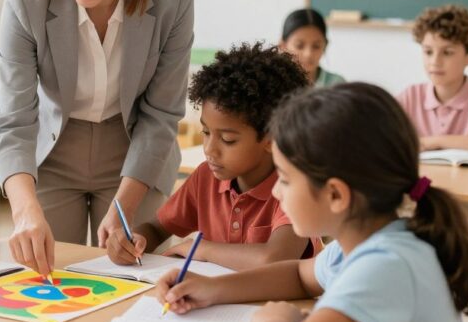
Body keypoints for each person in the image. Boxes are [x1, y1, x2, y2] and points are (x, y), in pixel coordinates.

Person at [157, 83, 468, 322]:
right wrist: (213, 288)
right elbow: (299, 276)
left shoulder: (385, 268)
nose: (276, 190)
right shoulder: (367, 244)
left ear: (336, 195)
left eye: (286, 180)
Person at [0, 0, 194, 277]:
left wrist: (126, 205)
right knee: (45, 278)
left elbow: (161, 114)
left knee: (134, 277)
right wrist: (25, 210)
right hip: (51, 151)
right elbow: (14, 119)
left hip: (135, 149)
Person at [107, 42, 316, 270]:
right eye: (206, 132)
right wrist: (132, 240)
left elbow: (275, 259)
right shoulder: (206, 177)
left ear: (270, 139)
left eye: (227, 140)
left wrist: (201, 249)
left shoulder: (292, 187)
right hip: (217, 299)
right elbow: (157, 228)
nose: (209, 149)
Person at [396, 4, 468, 153]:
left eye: (447, 52)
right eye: (428, 52)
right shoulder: (411, 96)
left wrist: (432, 142)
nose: (435, 62)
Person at [278, 8, 344, 87]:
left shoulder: (337, 85)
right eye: (299, 46)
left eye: (316, 46)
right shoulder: (274, 83)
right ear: (282, 46)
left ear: (325, 45)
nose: (308, 54)